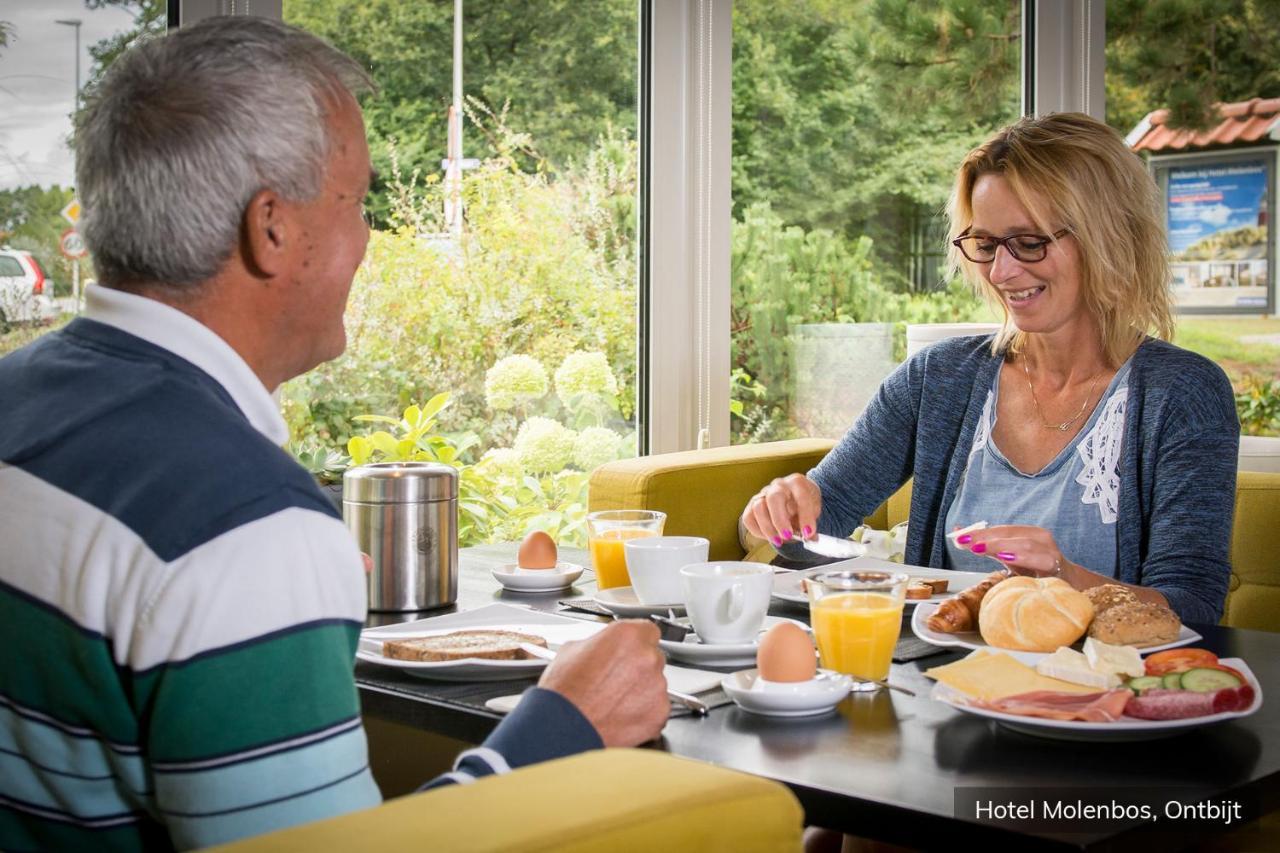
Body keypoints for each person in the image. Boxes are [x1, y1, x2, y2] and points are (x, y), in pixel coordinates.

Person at [0, 17, 667, 852]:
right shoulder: (244, 526)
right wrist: (562, 728)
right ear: (271, 228)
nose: (367, 240)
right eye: (357, 203)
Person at [742, 112, 1238, 624]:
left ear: (1108, 236)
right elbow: (811, 534)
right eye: (985, 244)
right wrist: (773, 514)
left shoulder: (1182, 392)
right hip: (940, 688)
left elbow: (1192, 608)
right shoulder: (936, 379)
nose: (1001, 272)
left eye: (1030, 242)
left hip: (1098, 696)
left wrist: (1069, 579)